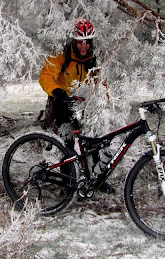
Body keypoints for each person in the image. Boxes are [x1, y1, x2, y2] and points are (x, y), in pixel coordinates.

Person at [39, 18, 115, 194]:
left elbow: (101, 82)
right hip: (64, 102)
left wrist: (105, 99)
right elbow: (46, 76)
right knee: (68, 144)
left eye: (87, 42)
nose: (84, 46)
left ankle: (96, 180)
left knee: (94, 143)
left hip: (86, 104)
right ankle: (68, 183)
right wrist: (57, 91)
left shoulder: (94, 59)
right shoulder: (62, 55)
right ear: (74, 41)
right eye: (80, 41)